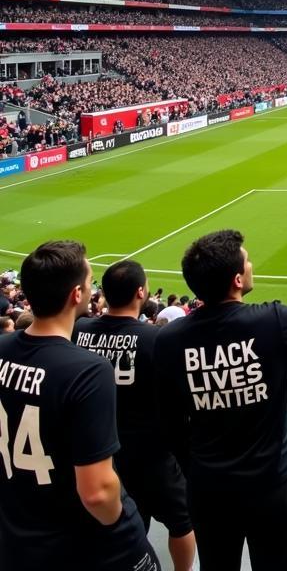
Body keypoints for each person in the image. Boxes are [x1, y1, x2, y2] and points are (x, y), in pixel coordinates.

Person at [155, 229, 287, 571]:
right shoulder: (273, 320)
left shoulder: (169, 340)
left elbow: (169, 423)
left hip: (209, 487)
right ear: (238, 279)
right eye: (248, 260)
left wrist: (196, 466)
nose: (252, 264)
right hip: (273, 483)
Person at [0, 241, 159, 570]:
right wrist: (126, 529)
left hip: (15, 534)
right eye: (89, 282)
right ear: (76, 295)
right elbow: (97, 493)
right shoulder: (86, 370)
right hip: (74, 545)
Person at [74, 259, 196, 571]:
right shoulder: (157, 338)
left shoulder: (81, 330)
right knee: (182, 522)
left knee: (121, 522)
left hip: (97, 452)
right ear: (141, 292)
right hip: (152, 453)